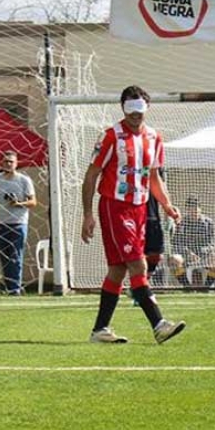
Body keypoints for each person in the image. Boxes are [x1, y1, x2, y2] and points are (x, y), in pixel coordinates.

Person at [81, 85, 186, 344]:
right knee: (138, 264)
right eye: (131, 110)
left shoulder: (154, 137)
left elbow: (154, 177)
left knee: (117, 268)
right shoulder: (110, 137)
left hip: (139, 207)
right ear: (122, 109)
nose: (135, 115)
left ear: (147, 110)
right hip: (115, 206)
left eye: (140, 110)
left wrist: (167, 205)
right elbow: (92, 174)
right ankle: (159, 324)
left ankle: (100, 330)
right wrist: (87, 214)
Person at [0, 149, 37, 294]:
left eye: (11, 162)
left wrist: (18, 203)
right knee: (4, 257)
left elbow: (33, 202)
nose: (8, 164)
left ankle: (15, 289)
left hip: (18, 223)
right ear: (1, 163)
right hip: (1, 224)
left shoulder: (24, 180)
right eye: (5, 161)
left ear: (16, 163)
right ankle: (9, 288)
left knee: (16, 256)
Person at [168, 196, 215, 289]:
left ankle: (206, 288)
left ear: (200, 208)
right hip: (186, 256)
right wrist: (188, 253)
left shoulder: (208, 223)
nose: (193, 210)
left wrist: (202, 251)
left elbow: (213, 243)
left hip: (203, 256)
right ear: (187, 210)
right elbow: (176, 243)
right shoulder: (182, 223)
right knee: (173, 260)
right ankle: (187, 287)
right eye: (190, 208)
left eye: (196, 207)